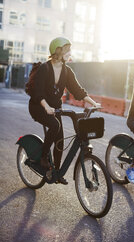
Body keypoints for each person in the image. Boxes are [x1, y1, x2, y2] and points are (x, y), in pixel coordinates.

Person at [29, 37, 101, 184]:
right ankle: (43, 157)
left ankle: (56, 171)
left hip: (55, 109)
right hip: (38, 107)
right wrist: (46, 106)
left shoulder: (67, 71)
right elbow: (38, 92)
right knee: (55, 126)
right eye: (67, 50)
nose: (70, 53)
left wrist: (94, 103)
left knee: (60, 142)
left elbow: (77, 90)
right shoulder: (45, 68)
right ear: (58, 51)